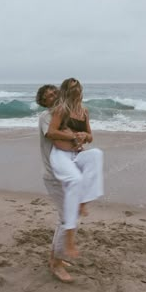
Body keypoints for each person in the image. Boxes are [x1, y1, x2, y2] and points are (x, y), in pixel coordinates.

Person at [47, 78, 103, 262]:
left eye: (77, 89)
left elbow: (90, 136)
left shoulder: (84, 111)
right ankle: (69, 239)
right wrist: (71, 135)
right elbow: (51, 132)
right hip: (61, 155)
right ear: (66, 91)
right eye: (72, 89)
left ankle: (83, 201)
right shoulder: (61, 109)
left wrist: (84, 135)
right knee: (75, 181)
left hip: (77, 153)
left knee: (96, 154)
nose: (76, 92)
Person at [36, 84, 78, 282]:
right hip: (53, 176)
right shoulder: (47, 117)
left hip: (67, 174)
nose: (52, 95)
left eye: (54, 91)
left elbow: (72, 145)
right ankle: (56, 263)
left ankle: (55, 257)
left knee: (68, 217)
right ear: (43, 102)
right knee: (67, 218)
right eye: (47, 95)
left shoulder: (64, 117)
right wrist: (73, 136)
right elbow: (52, 135)